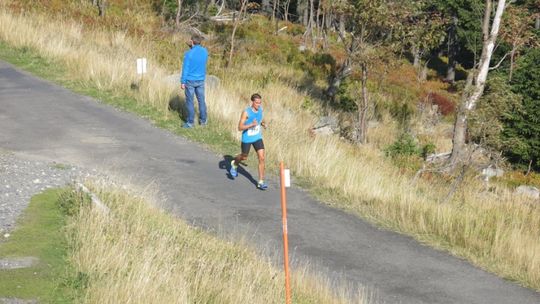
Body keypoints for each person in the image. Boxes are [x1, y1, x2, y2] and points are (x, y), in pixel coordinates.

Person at [229, 93, 268, 190]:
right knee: (244, 157)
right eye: (257, 103)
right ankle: (234, 163)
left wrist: (263, 124)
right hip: (247, 138)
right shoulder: (246, 112)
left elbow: (260, 119)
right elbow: (240, 127)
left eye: (260, 103)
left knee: (262, 158)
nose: (258, 105)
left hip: (257, 137)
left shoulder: (260, 110)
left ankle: (261, 182)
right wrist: (251, 125)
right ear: (252, 102)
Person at [180, 34, 209, 128]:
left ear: (192, 41)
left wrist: (182, 81)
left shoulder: (188, 54)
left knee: (190, 101)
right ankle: (203, 121)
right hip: (200, 79)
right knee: (201, 101)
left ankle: (190, 122)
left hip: (190, 80)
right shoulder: (205, 51)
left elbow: (185, 69)